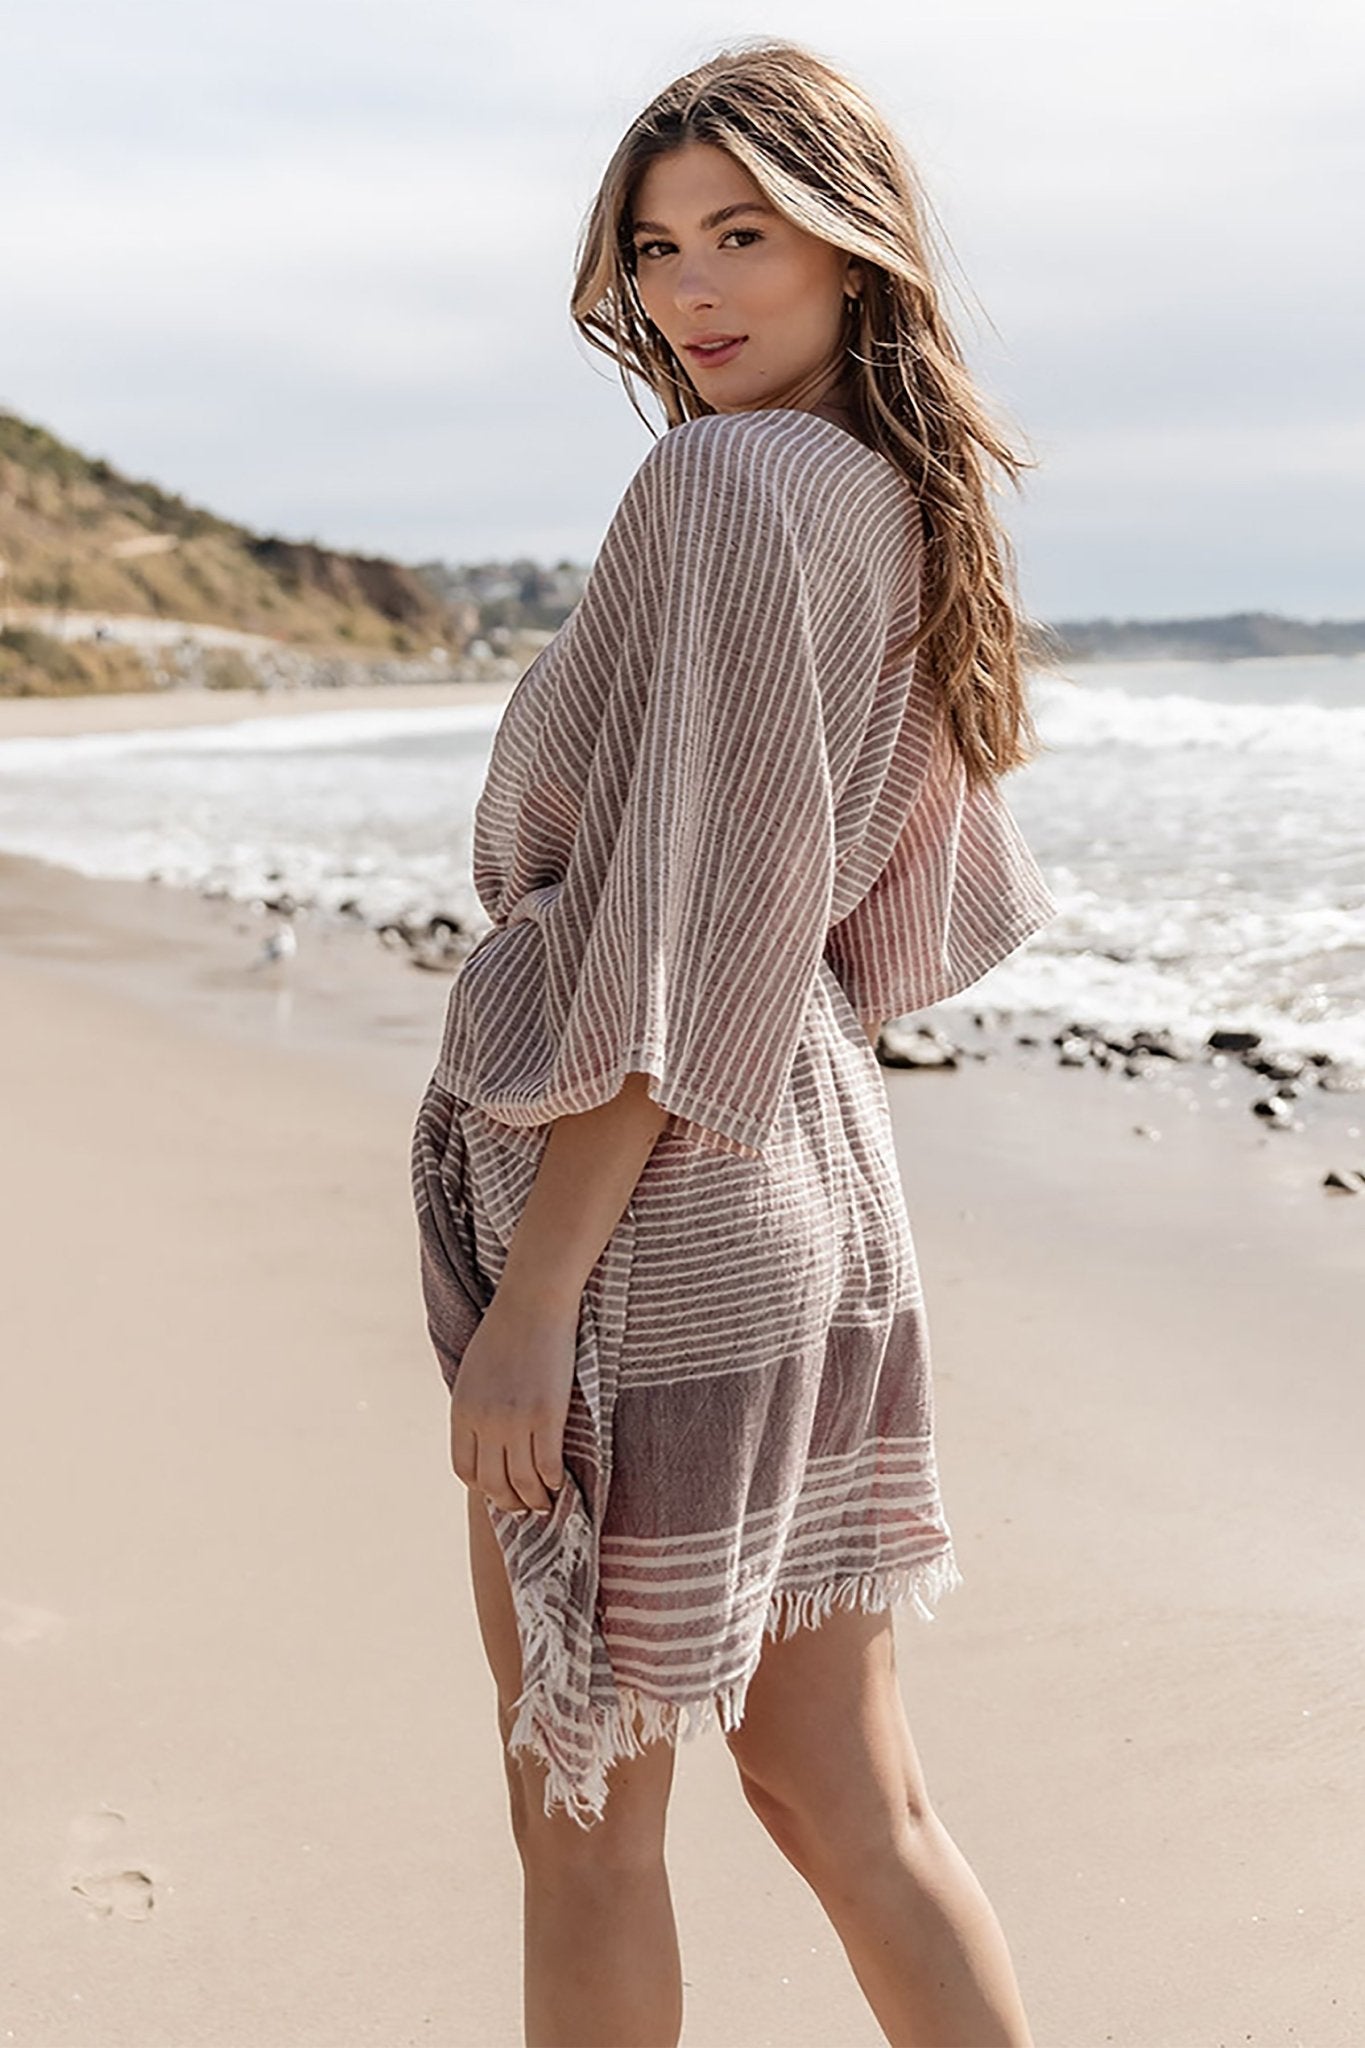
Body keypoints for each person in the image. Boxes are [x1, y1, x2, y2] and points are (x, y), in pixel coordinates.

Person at [411, 38, 1054, 2048]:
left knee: (580, 1807)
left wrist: (532, 1303)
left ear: (852, 254)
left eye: (743, 237)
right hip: (812, 1175)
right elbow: (877, 925)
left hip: (646, 1216)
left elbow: (662, 927)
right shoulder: (893, 493)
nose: (692, 291)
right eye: (657, 247)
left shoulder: (720, 480)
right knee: (852, 1796)